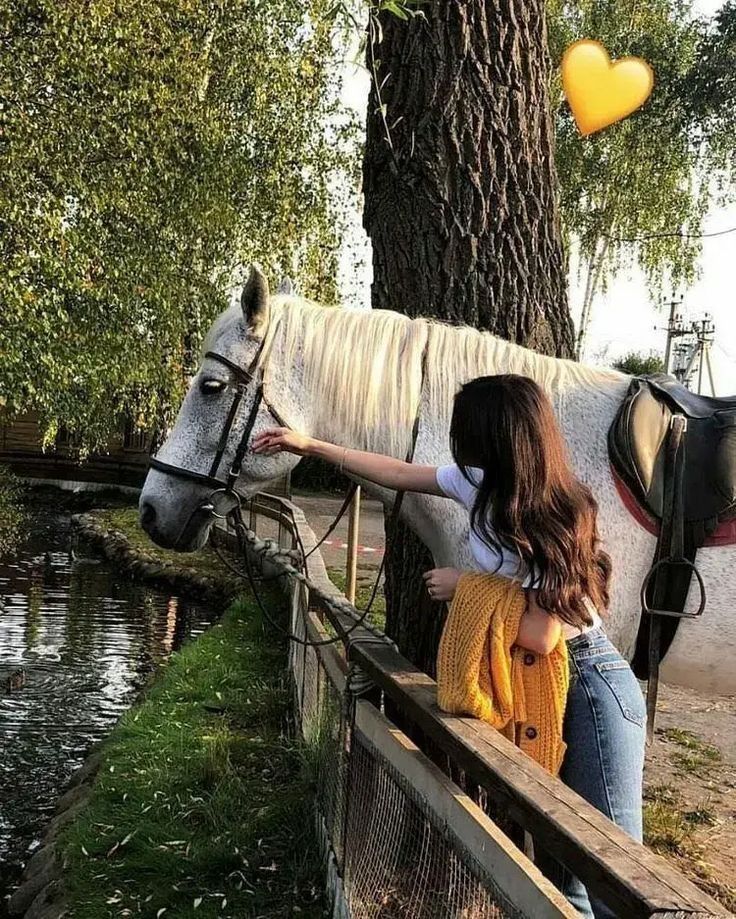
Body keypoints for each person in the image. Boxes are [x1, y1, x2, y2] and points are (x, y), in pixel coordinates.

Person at [251, 373, 646, 919]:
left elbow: (542, 634)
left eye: (465, 433)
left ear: (496, 438)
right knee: (560, 861)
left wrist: (468, 586)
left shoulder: (561, 513)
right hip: (532, 682)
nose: (457, 447)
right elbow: (396, 472)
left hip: (589, 686)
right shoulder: (477, 488)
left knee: (613, 863)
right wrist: (311, 444)